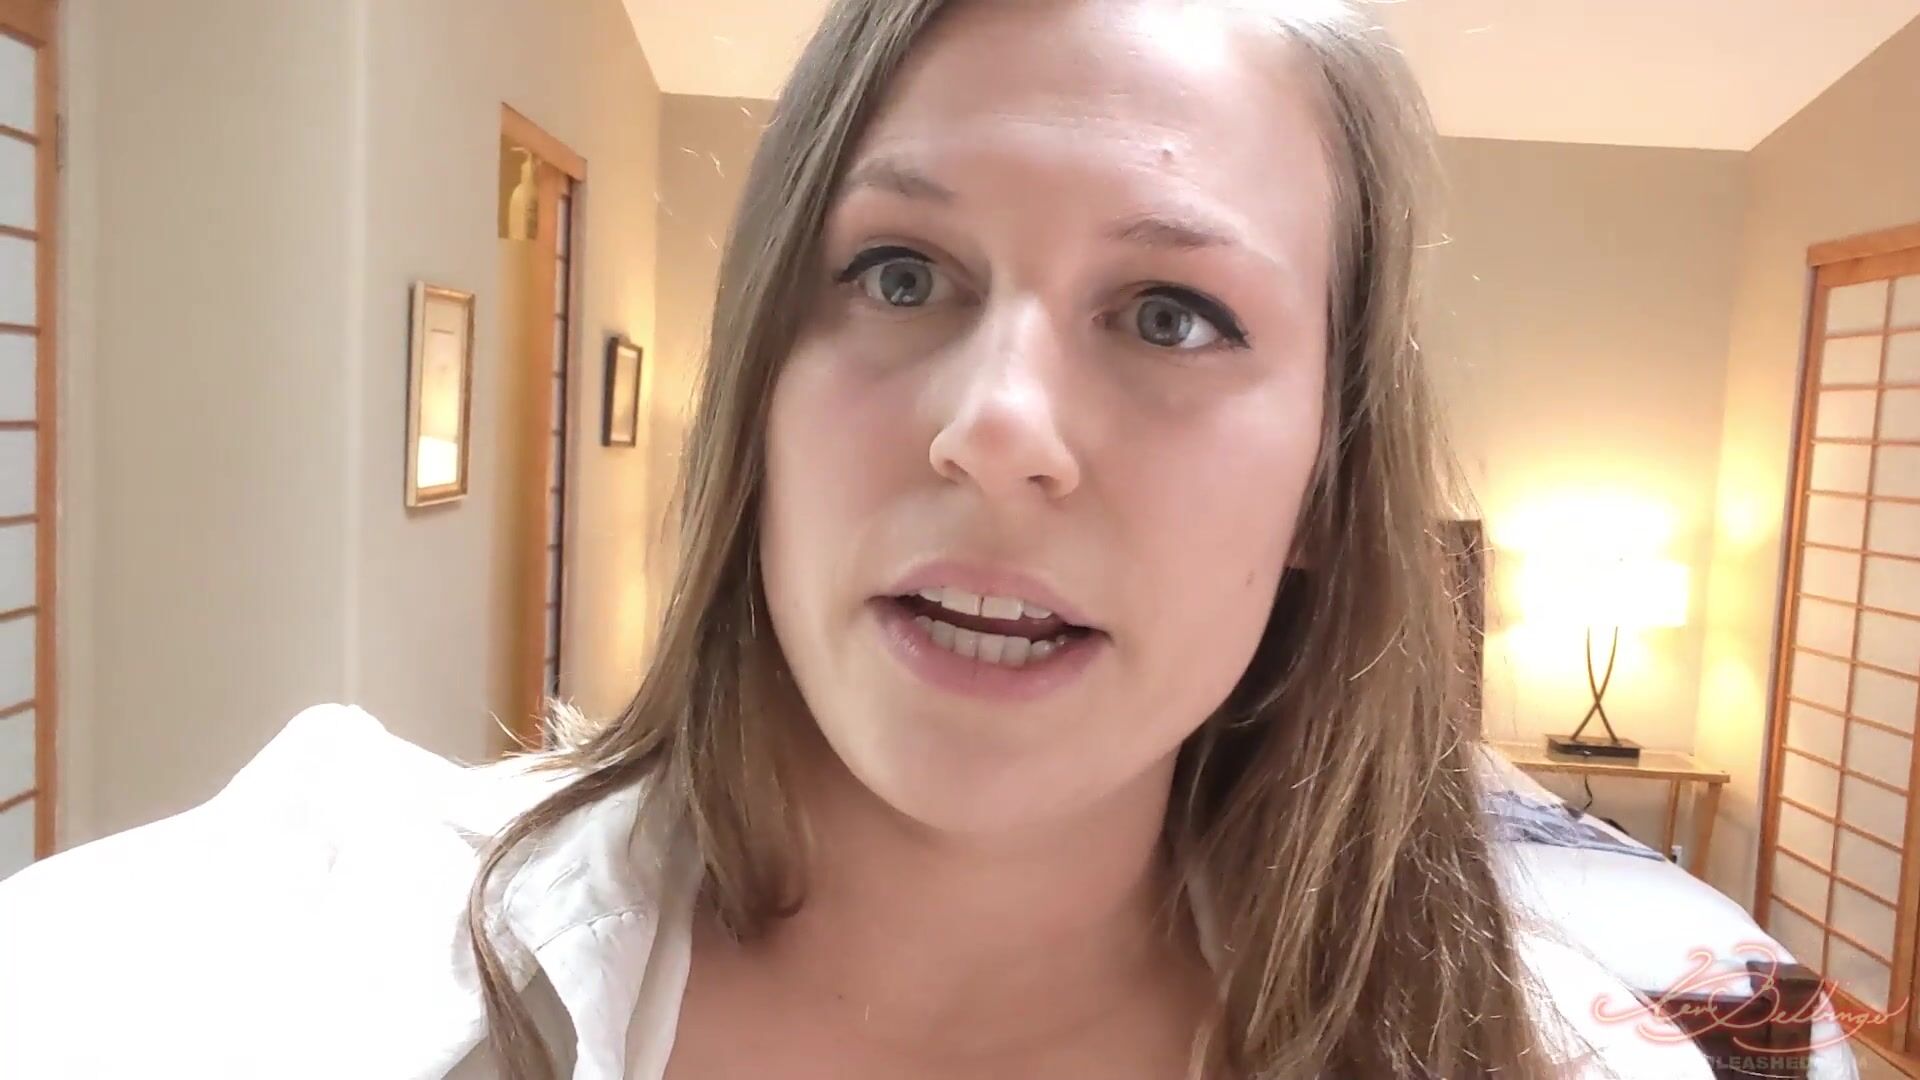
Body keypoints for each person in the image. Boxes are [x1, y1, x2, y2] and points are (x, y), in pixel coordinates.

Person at [0, 1, 1712, 1077]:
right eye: (901, 274)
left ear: (1330, 484)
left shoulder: (1568, 1056)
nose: (997, 427)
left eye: (1171, 314)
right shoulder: (299, 932)